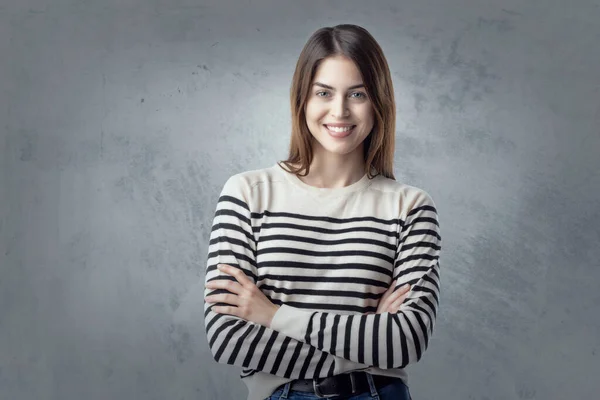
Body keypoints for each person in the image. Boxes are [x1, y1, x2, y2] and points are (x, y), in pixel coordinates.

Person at [204, 24, 442, 400]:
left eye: (358, 94)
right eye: (324, 93)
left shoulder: (410, 207)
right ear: (303, 99)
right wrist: (369, 341)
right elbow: (228, 339)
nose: (340, 111)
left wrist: (273, 316)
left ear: (378, 101)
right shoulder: (247, 194)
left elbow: (405, 342)